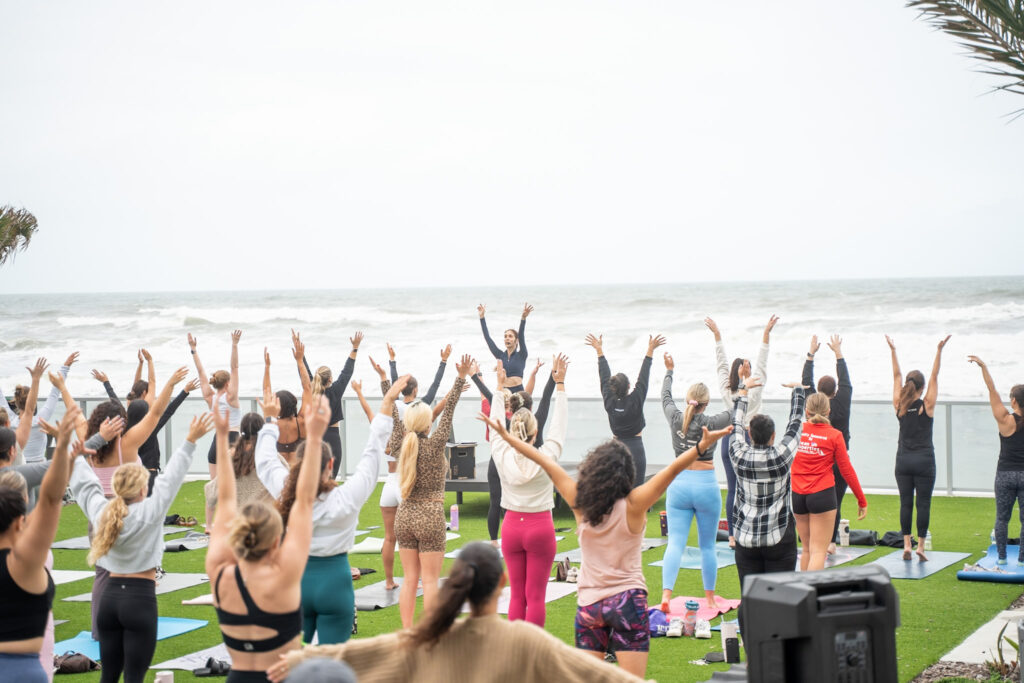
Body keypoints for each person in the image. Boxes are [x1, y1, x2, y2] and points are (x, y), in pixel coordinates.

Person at [479, 407, 731, 678]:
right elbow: (671, 470)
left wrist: (506, 436)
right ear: (628, 474)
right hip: (629, 602)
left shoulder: (580, 502)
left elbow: (546, 463)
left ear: (594, 470)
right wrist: (701, 447)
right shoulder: (635, 503)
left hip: (591, 603)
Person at [265, 542, 647, 683]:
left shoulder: (425, 640)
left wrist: (306, 656)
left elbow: (367, 652)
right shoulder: (527, 641)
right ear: (501, 585)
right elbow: (593, 675)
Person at [255, 379, 406, 646]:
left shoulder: (286, 494)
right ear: (332, 464)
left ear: (298, 465)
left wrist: (270, 420)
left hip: (297, 580)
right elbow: (372, 455)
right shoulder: (345, 498)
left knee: (301, 659)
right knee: (331, 660)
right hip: (335, 582)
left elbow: (265, 460)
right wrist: (386, 403)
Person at [70, 405, 213, 683]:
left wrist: (82, 449)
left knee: (109, 676)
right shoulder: (150, 512)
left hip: (109, 601)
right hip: (139, 600)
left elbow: (83, 480)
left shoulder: (101, 512)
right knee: (134, 677)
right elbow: (171, 478)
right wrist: (190, 440)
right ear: (143, 489)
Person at [206, 391, 329, 683]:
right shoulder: (285, 576)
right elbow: (303, 501)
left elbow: (224, 500)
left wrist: (223, 438)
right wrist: (313, 440)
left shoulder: (220, 574)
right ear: (276, 541)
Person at [390, 355, 471, 627]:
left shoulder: (402, 444)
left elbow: (392, 412)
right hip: (430, 515)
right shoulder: (435, 444)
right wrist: (459, 379)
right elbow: (447, 413)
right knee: (430, 581)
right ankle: (432, 634)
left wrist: (388, 385)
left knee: (410, 580)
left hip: (405, 515)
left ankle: (407, 632)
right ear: (427, 424)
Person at [488, 354, 568, 626]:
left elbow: (497, 430)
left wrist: (499, 390)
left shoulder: (501, 453)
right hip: (540, 526)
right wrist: (561, 385)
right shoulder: (546, 455)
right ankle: (532, 653)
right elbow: (558, 428)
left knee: (516, 597)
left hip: (511, 526)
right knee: (535, 597)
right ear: (535, 434)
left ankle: (514, 651)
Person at [0, 407, 79, 683]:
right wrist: (63, 445)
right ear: (20, 520)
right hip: (21, 671)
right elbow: (50, 499)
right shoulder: (26, 562)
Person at [369, 348, 451, 592]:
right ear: (414, 391)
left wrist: (387, 373)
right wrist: (449, 392)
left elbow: (389, 399)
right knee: (419, 538)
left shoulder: (395, 414)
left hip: (390, 481)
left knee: (390, 538)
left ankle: (388, 581)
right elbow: (435, 405)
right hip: (408, 485)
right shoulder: (418, 411)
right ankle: (418, 582)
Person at [659, 352, 731, 614]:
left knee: (675, 543)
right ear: (705, 403)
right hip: (704, 485)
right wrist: (741, 389)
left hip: (678, 485)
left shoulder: (676, 418)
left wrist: (669, 370)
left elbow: (665, 397)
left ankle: (667, 594)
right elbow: (735, 411)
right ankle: (710, 599)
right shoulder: (710, 422)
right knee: (707, 546)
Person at [705, 315, 777, 548]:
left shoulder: (728, 389)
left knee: (733, 488)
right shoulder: (754, 388)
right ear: (744, 371)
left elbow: (722, 364)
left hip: (729, 439)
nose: (750, 368)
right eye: (746, 366)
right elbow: (763, 363)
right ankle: (750, 530)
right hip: (749, 438)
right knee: (751, 488)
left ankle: (734, 537)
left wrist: (717, 336)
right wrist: (766, 335)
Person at [730, 378, 806, 590]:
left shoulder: (738, 455)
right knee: (780, 602)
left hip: (746, 540)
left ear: (750, 435)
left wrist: (743, 393)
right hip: (779, 539)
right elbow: (796, 424)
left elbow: (736, 424)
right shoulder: (781, 457)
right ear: (773, 436)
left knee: (750, 599)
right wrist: (798, 391)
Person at [470, 358, 556, 546]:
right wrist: (554, 377)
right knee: (521, 504)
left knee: (498, 501)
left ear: (512, 407)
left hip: (502, 462)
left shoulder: (509, 423)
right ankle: (520, 536)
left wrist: (477, 377)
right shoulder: (536, 421)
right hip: (529, 465)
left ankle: (495, 542)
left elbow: (492, 398)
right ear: (530, 408)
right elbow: (547, 399)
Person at [886, 334, 950, 561]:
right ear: (922, 389)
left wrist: (893, 351)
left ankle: (906, 545)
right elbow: (935, 375)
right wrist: (939, 351)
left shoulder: (899, 404)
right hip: (924, 461)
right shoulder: (927, 406)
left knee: (906, 503)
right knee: (923, 504)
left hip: (903, 461)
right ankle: (920, 547)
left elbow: (896, 375)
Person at [792, 392, 867, 572]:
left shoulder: (796, 431)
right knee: (819, 552)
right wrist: (861, 499)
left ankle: (803, 594)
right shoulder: (835, 435)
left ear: (806, 411)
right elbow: (846, 470)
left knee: (807, 550)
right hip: (822, 495)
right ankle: (812, 596)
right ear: (828, 411)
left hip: (797, 496)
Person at [585, 333, 665, 489]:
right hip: (636, 449)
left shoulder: (609, 401)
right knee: (637, 495)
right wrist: (650, 351)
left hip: (616, 450)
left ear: (612, 388)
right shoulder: (635, 400)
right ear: (629, 387)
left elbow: (604, 377)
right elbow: (643, 379)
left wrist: (599, 352)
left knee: (617, 494)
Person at [968, 356, 1024, 565]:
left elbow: (992, 391)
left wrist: (984, 367)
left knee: (1002, 518)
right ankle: (1022, 560)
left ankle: (1001, 558)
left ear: (1014, 401)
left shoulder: (1005, 419)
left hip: (1005, 475)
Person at [801, 335, 853, 553]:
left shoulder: (813, 405)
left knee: (813, 499)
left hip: (815, 460)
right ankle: (830, 542)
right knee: (835, 502)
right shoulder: (842, 401)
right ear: (834, 392)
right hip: (839, 461)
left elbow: (806, 382)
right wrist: (838, 353)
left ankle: (813, 540)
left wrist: (810, 354)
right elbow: (846, 382)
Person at [302, 331, 363, 479]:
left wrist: (300, 357)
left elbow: (304, 373)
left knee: (314, 481)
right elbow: (347, 372)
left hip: (315, 438)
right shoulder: (335, 391)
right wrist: (354, 348)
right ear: (330, 379)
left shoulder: (312, 391)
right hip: (333, 438)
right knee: (330, 482)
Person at [1, 352, 77, 463]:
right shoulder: (41, 419)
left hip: (18, 467)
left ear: (16, 401)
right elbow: (55, 392)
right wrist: (65, 367)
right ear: (34, 400)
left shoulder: (9, 421)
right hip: (39, 468)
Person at [188, 330, 243, 478]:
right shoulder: (231, 398)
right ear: (227, 383)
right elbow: (235, 367)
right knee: (234, 486)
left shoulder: (210, 398)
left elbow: (201, 372)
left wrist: (193, 350)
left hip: (217, 441)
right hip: (232, 440)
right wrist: (234, 345)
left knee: (214, 487)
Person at [204, 413, 274, 522]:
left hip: (237, 522)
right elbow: (286, 482)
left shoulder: (230, 455)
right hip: (265, 520)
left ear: (241, 430)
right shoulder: (269, 455)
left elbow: (212, 492)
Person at [478, 303, 532, 392]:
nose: (507, 338)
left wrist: (523, 319)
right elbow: (488, 338)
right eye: (505, 336)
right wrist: (482, 317)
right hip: (504, 392)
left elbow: (521, 335)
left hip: (518, 391)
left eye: (510, 336)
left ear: (516, 340)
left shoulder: (522, 354)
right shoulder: (500, 356)